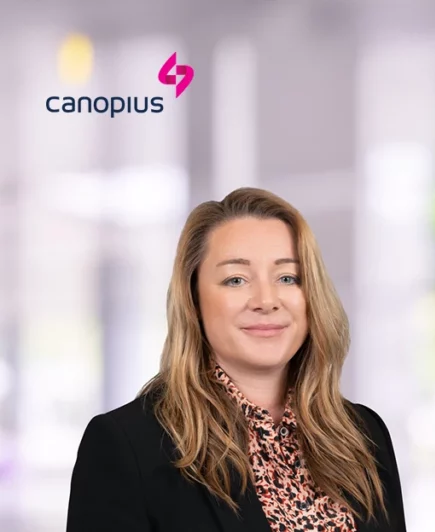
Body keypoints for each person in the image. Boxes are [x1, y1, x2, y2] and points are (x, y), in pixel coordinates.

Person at [67, 187, 406, 532]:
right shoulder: (126, 446)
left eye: (287, 277)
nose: (266, 300)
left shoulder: (362, 434)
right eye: (236, 279)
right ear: (193, 299)